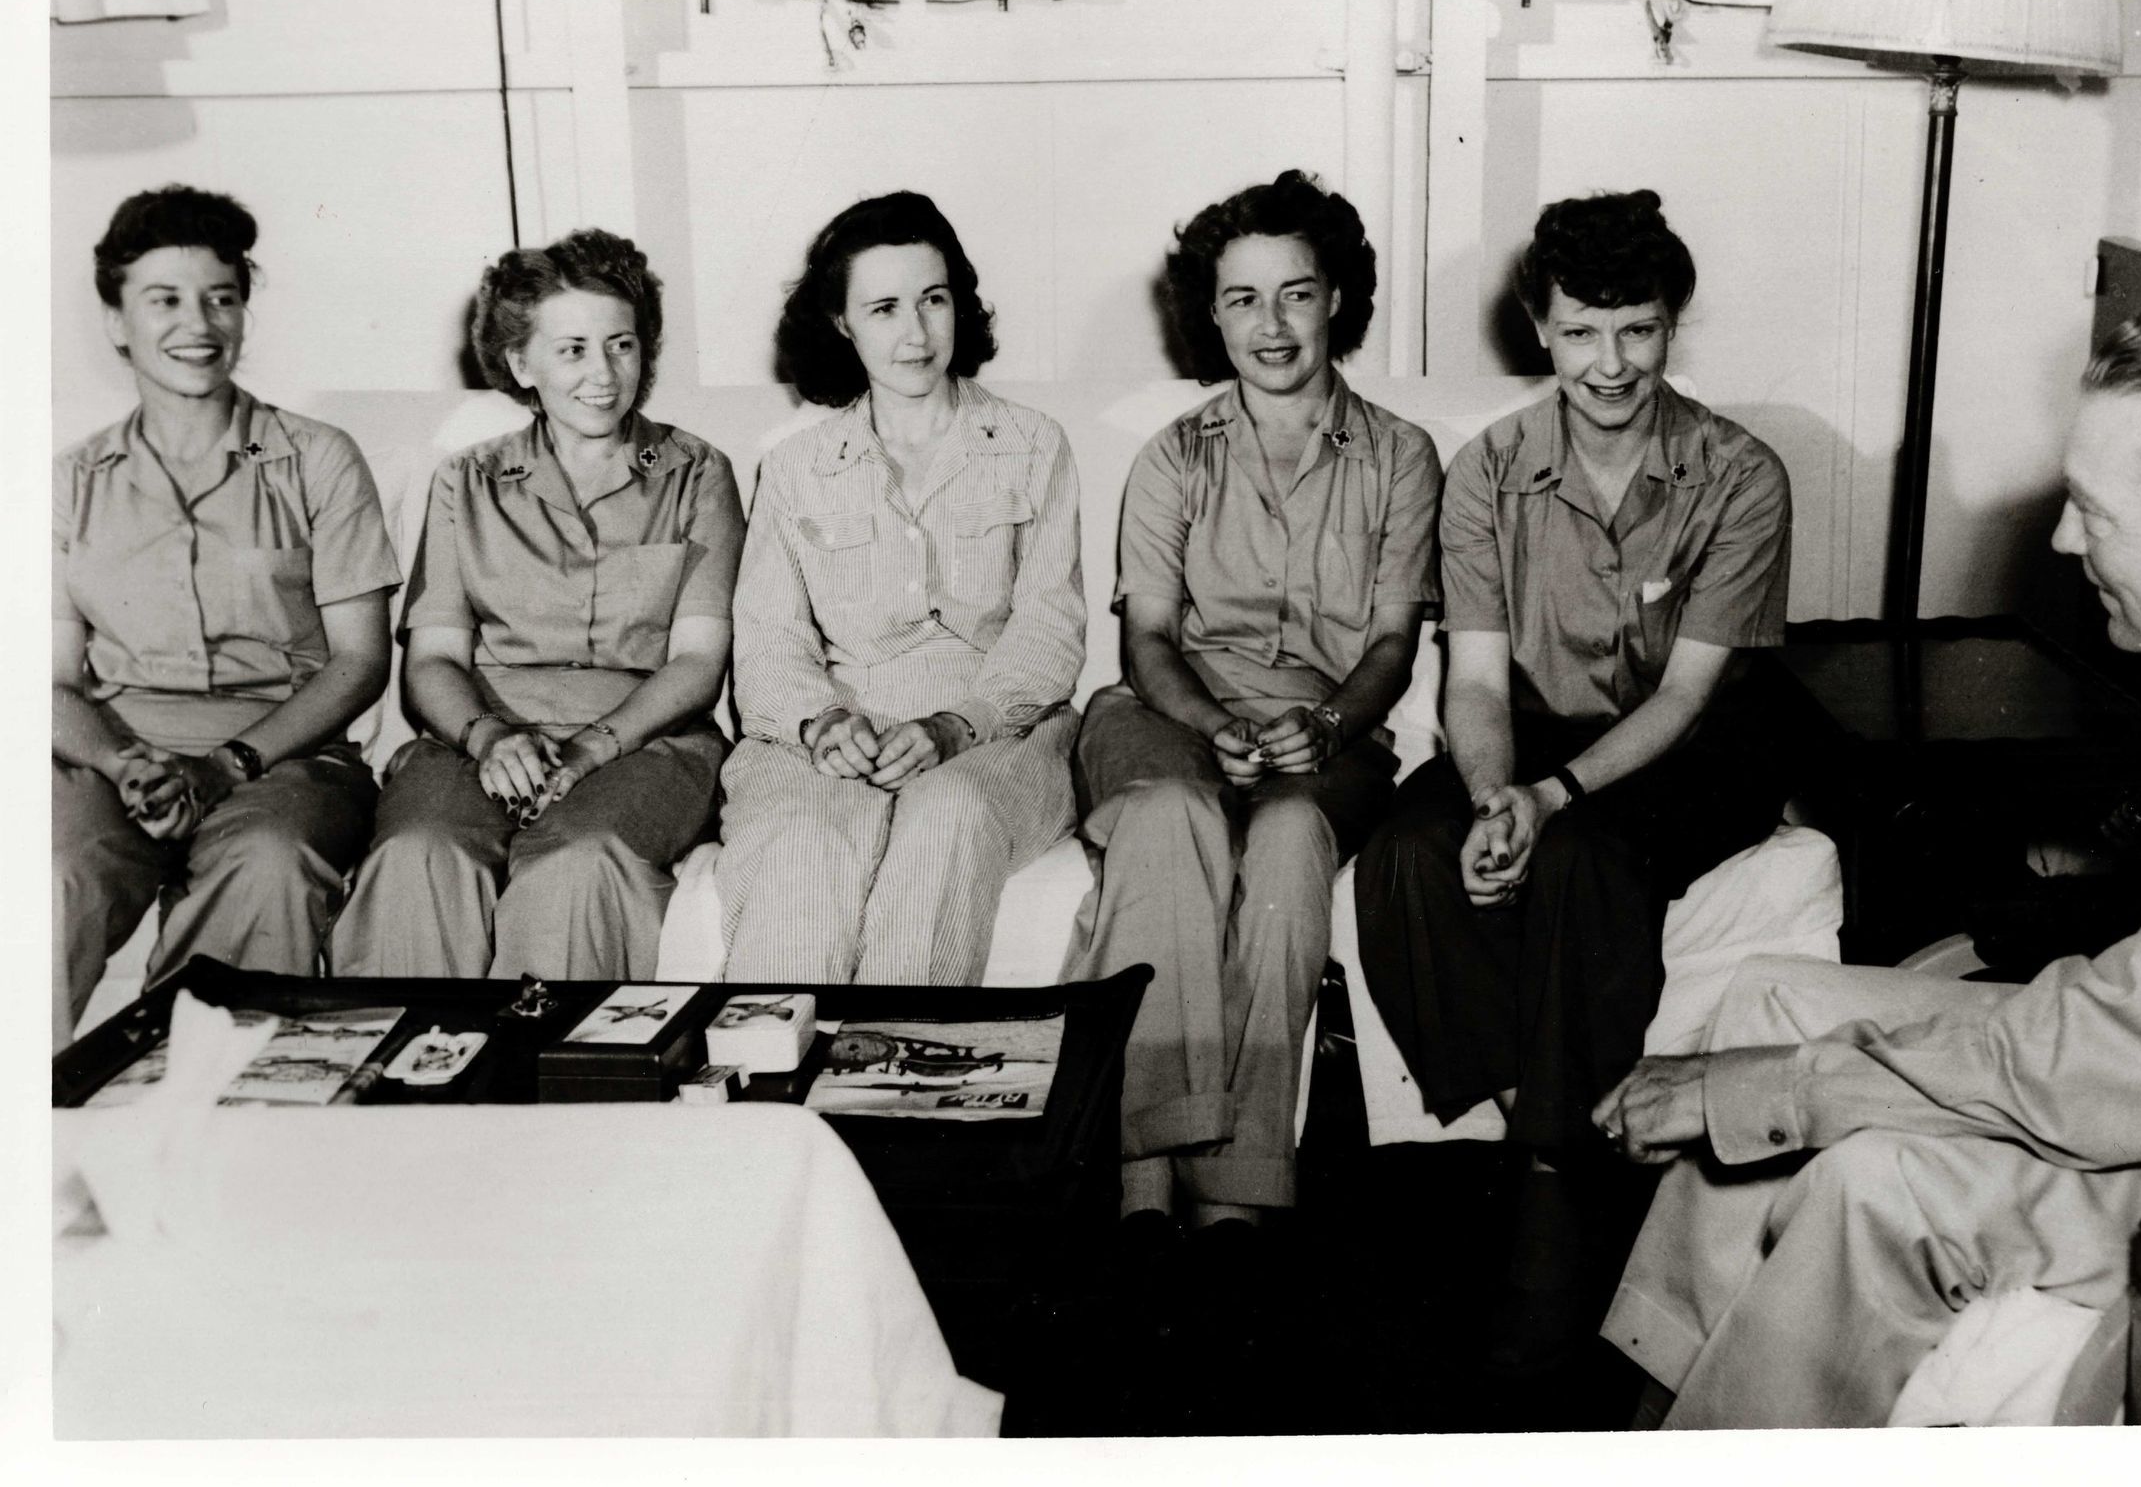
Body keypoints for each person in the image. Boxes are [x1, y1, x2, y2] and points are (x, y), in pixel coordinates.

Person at [1597, 297, 2141, 1428]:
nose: (2058, 540)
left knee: (1868, 1175)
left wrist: (1781, 1092)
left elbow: (2117, 1059)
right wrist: (1775, 1069)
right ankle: (1659, 1405)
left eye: (2094, 511)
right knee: (1767, 998)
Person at [1353, 190, 1794, 1365]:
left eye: (1638, 330)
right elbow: (1480, 686)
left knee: (1588, 861)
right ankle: (1548, 1128)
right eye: (1584, 332)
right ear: (1540, 331)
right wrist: (1501, 795)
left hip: (1694, 748)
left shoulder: (1739, 474)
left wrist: (1553, 805)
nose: (1611, 364)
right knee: (1406, 855)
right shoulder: (1488, 471)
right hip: (1535, 733)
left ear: (1670, 329)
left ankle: (1548, 1192)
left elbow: (1689, 698)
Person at [1069, 170, 1441, 1257]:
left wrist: (1326, 725)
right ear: (1211, 313)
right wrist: (1206, 724)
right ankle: (1144, 1178)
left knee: (1285, 837)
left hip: (1329, 728)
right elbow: (1147, 642)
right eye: (1241, 299)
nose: (1270, 325)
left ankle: (1238, 1188)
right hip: (1167, 706)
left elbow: (1390, 643)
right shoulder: (1175, 458)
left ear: (1338, 300)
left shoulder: (1400, 457)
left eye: (1296, 293)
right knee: (1167, 817)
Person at [329, 229, 743, 981]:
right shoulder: (467, 481)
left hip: (645, 742)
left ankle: (568, 1084)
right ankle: (411, 1088)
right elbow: (434, 659)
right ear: (522, 363)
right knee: (419, 853)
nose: (604, 374)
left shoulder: (697, 474)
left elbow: (697, 663)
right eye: (573, 349)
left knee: (581, 861)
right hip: (481, 736)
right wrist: (489, 739)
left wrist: (590, 747)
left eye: (621, 345)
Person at [54, 187, 398, 1048]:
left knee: (270, 866)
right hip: (113, 756)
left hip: (280, 758)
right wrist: (123, 763)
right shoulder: (70, 481)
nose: (197, 322)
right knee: (47, 872)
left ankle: (192, 1116)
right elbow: (47, 682)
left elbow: (358, 663)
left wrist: (223, 767)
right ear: (115, 320)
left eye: (221, 296)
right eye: (163, 299)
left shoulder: (316, 458)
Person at [714, 192, 1085, 984]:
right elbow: (770, 642)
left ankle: (899, 1095)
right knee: (805, 845)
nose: (915, 333)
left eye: (934, 300)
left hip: (997, 732)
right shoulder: (793, 469)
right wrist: (821, 723)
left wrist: (958, 725)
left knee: (947, 819)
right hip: (833, 730)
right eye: (883, 308)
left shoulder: (1033, 446)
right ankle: (765, 1093)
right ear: (842, 324)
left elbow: (1050, 629)